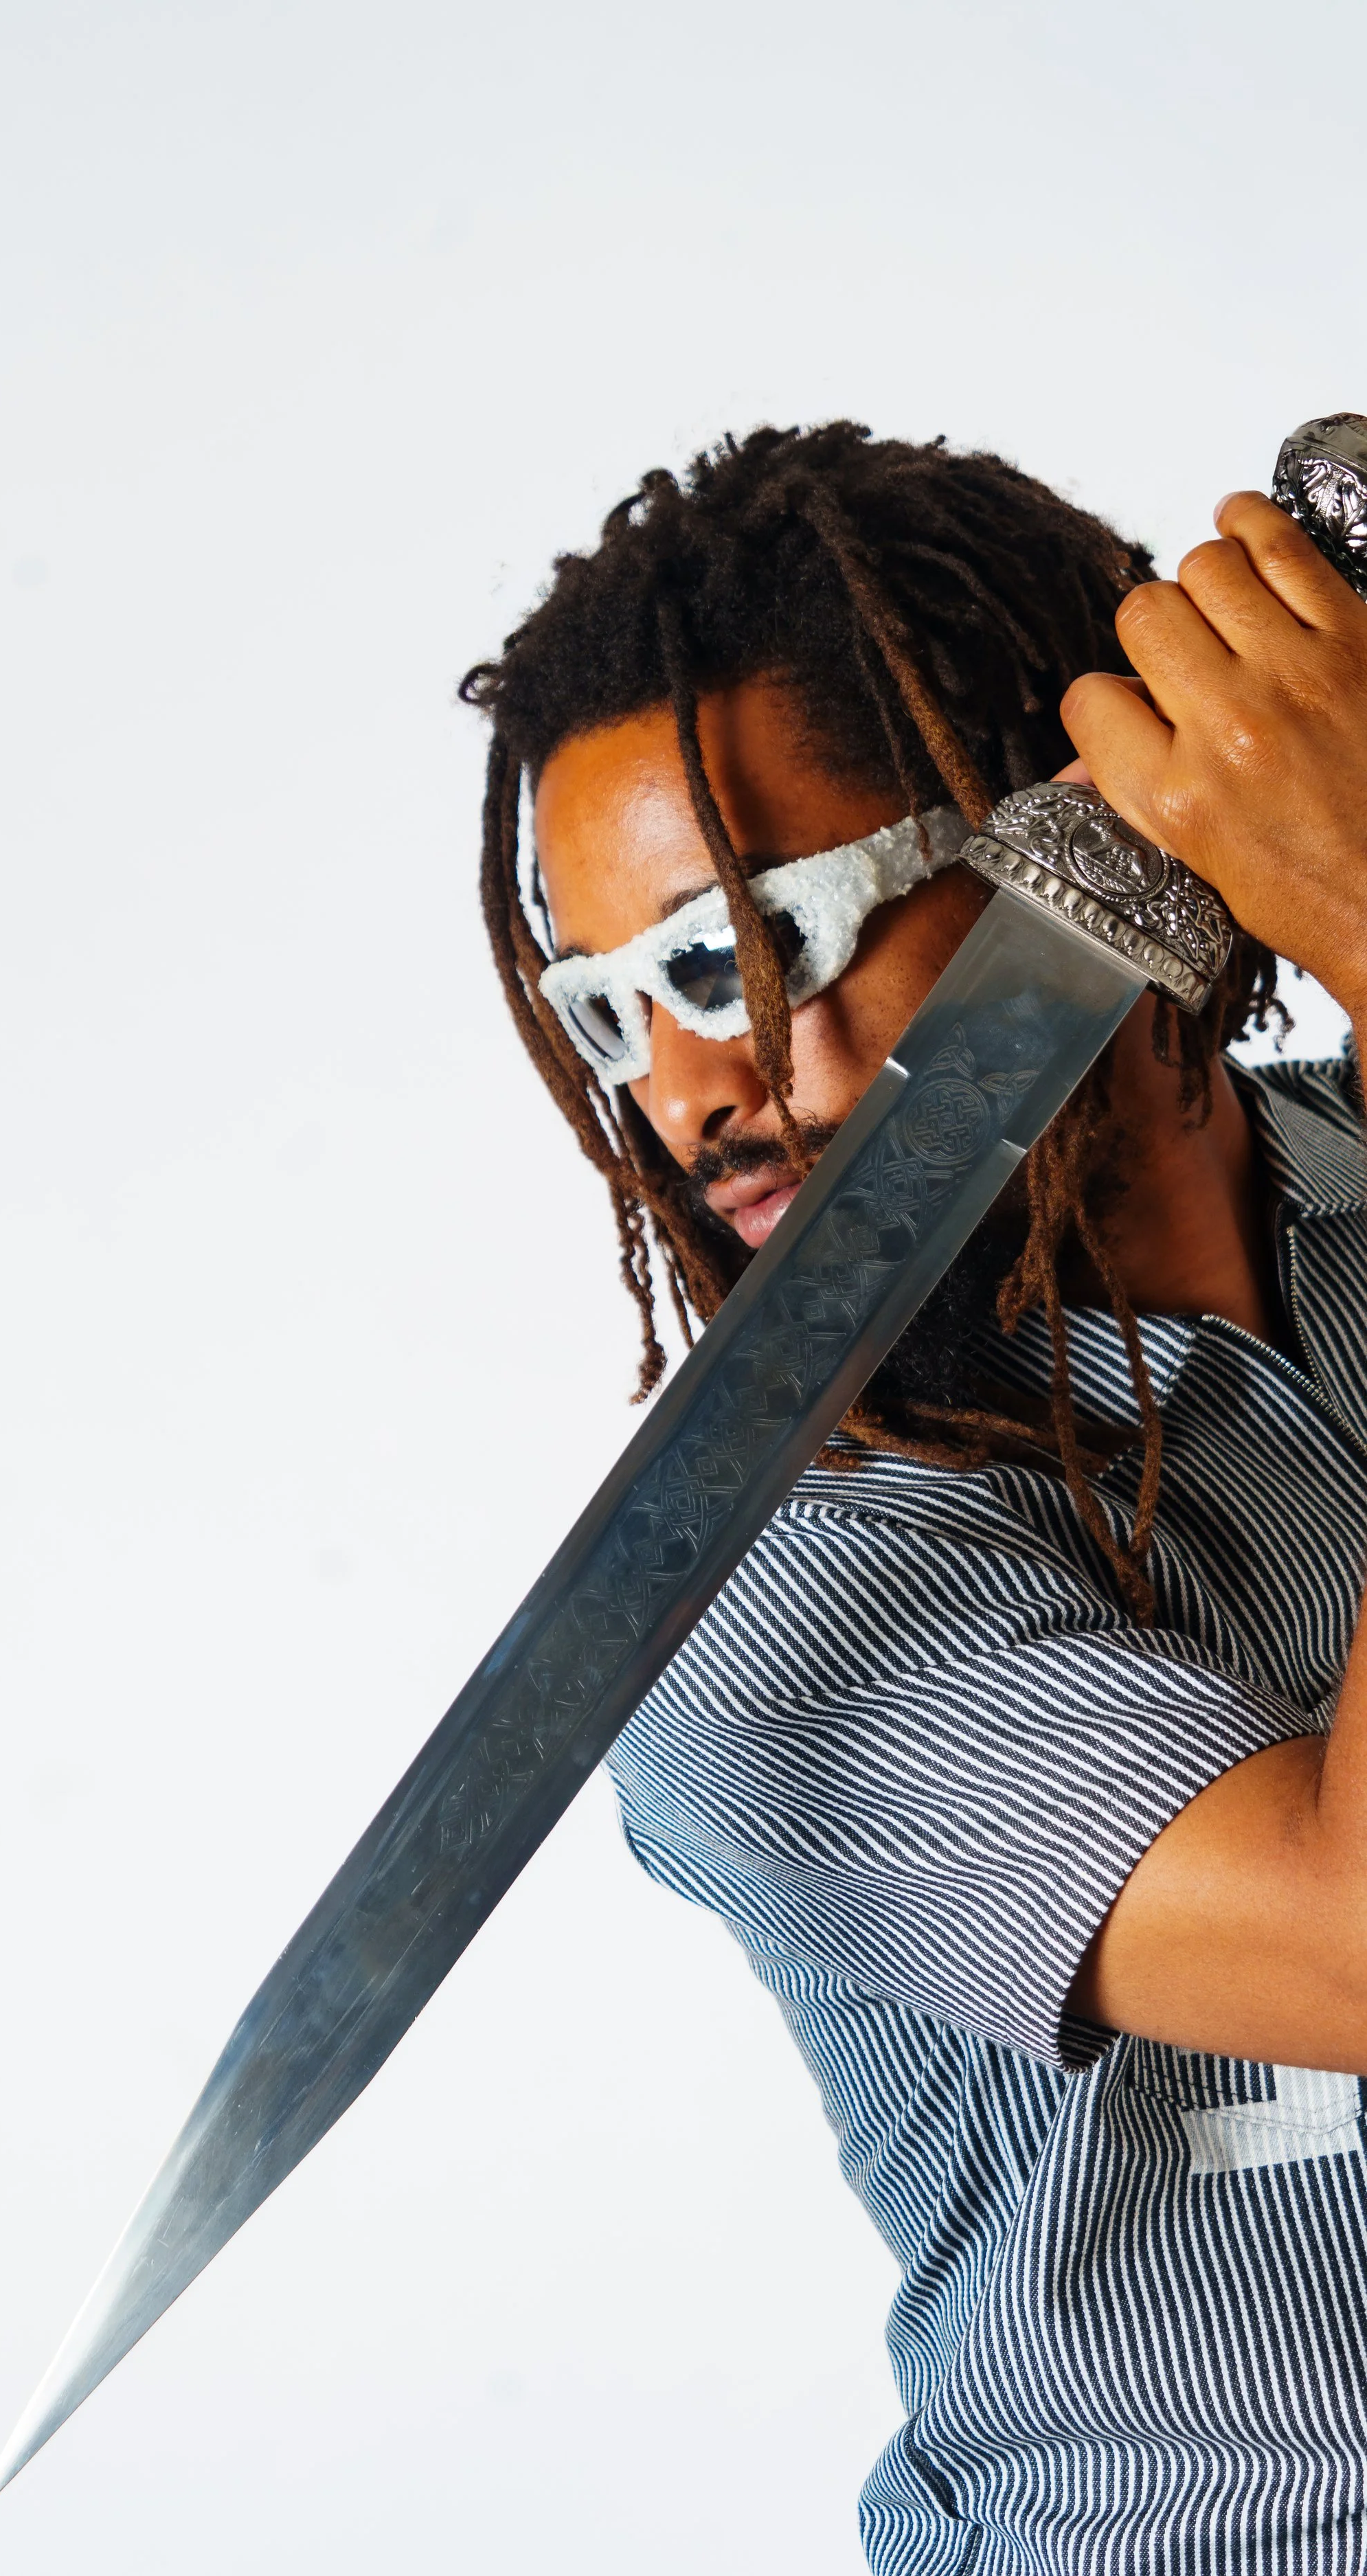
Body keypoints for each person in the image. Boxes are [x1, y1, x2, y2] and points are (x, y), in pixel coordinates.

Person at [461, 422, 1367, 2573]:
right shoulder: (763, 1598)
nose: (682, 1083)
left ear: (1089, 832)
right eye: (608, 1011)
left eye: (738, 949)